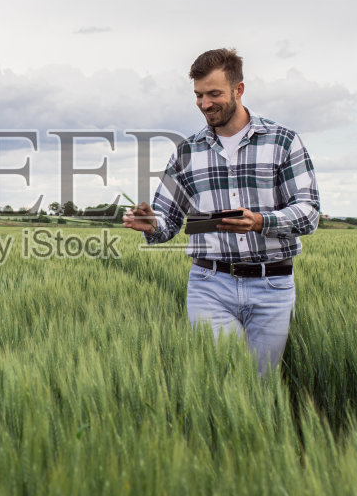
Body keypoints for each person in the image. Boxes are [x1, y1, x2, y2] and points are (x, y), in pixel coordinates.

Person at [122, 48, 319, 375]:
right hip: (209, 284)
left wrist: (260, 222)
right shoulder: (186, 152)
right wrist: (151, 223)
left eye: (214, 94)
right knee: (221, 380)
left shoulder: (283, 141)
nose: (205, 104)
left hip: (272, 285)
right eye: (198, 95)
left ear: (238, 90)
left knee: (261, 384)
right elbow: (168, 220)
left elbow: (309, 213)